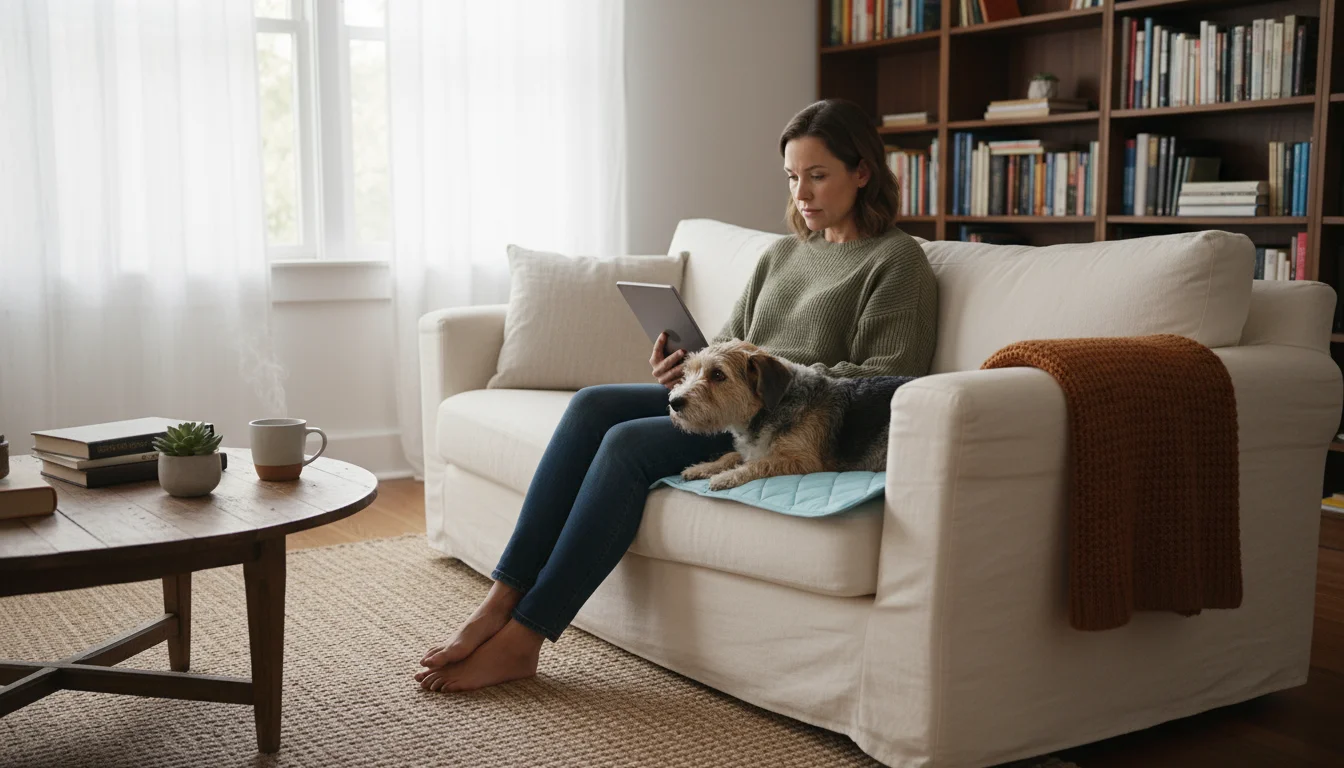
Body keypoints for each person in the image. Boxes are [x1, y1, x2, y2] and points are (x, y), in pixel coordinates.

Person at [415, 98, 938, 692]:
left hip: (784, 418)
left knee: (627, 445)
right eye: (793, 178)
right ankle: (499, 600)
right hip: (734, 402)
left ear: (862, 171)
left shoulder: (897, 261)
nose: (802, 194)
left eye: (818, 176)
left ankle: (525, 637)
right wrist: (688, 368)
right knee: (591, 404)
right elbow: (729, 347)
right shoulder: (784, 253)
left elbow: (889, 377)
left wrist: (766, 379)